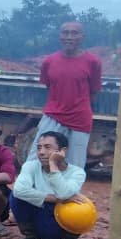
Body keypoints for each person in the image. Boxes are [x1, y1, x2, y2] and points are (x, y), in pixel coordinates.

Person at [27, 22, 102, 169]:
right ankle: (28, 191)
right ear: (59, 36)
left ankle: (71, 192)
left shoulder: (93, 62)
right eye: (65, 33)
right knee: (34, 160)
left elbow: (93, 92)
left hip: (80, 120)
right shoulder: (49, 62)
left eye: (74, 33)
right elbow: (50, 86)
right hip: (52, 116)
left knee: (75, 166)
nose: (69, 37)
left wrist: (76, 106)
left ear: (82, 37)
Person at [9, 131, 87, 239]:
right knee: (16, 197)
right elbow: (19, 190)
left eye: (47, 147)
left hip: (61, 226)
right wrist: (56, 199)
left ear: (63, 151)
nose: (41, 152)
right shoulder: (30, 166)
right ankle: (30, 238)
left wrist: (53, 166)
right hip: (40, 218)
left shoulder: (77, 172)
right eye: (39, 147)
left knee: (83, 206)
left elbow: (64, 193)